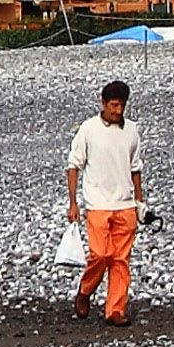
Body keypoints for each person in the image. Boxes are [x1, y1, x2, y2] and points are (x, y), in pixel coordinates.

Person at [61, 78, 149, 326]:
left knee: (121, 259)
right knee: (99, 254)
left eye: (121, 106)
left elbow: (135, 168)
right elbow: (73, 165)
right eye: (113, 106)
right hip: (97, 203)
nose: (117, 111)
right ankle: (86, 290)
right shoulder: (88, 129)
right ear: (103, 103)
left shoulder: (131, 130)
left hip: (125, 204)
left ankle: (115, 310)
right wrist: (73, 203)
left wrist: (140, 201)